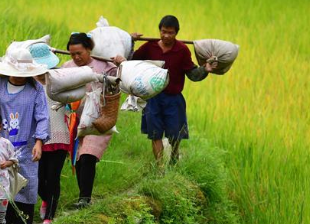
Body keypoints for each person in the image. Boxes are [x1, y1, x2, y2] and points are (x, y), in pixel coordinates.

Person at [113, 15, 217, 165]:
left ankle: (174, 156)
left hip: (173, 98)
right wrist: (130, 42)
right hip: (152, 98)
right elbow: (132, 63)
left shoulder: (182, 50)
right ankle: (160, 167)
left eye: (170, 33)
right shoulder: (150, 47)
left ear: (176, 33)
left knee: (175, 134)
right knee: (155, 134)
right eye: (163, 32)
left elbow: (193, 74)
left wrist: (205, 69)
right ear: (159, 31)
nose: (166, 35)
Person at [0, 45, 50, 224]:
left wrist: (40, 141)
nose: (17, 77)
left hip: (27, 145)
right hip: (2, 147)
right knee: (2, 187)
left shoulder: (36, 90)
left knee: (26, 186)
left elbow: (42, 116)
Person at [63, 32, 118, 209]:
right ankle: (83, 197)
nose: (76, 57)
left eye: (80, 53)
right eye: (73, 54)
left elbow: (119, 81)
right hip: (75, 120)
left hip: (99, 119)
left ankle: (84, 198)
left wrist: (121, 63)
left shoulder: (104, 65)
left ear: (89, 49)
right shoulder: (67, 67)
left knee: (88, 156)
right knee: (78, 159)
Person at [28, 43, 69, 224]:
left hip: (59, 134)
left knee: (52, 177)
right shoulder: (29, 84)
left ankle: (49, 217)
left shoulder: (58, 80)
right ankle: (46, 199)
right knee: (37, 178)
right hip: (36, 138)